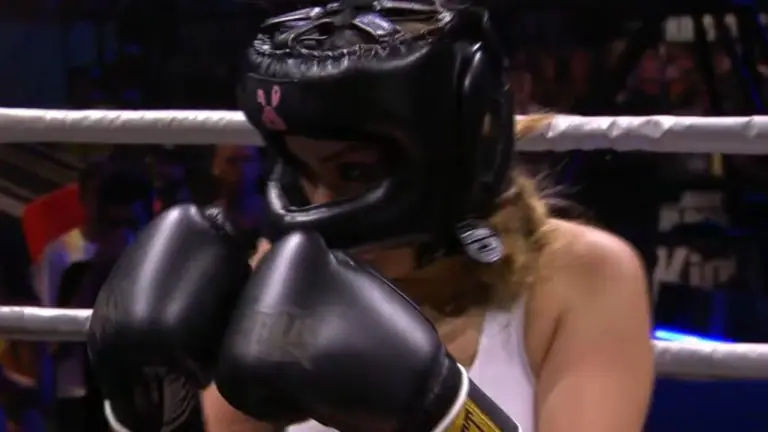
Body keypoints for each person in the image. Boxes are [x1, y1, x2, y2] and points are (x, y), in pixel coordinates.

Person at [88, 2, 653, 431]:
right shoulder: (283, 274)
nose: (321, 205)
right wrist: (155, 413)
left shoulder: (579, 276)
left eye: (354, 171)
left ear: (453, 157)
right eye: (302, 171)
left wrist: (443, 411)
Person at [40, 159, 153, 432]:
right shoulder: (60, 255)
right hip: (75, 392)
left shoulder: (144, 249)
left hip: (130, 388)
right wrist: (96, 272)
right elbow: (48, 340)